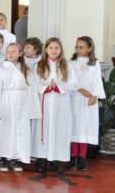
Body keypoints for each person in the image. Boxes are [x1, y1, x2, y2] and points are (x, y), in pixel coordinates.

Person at [0, 43, 41, 172]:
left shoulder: (26, 70)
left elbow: (31, 90)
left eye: (14, 51)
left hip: (22, 103)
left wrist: (32, 109)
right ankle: (3, 158)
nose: (10, 54)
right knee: (5, 130)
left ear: (20, 53)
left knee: (21, 130)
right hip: (6, 101)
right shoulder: (0, 70)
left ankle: (17, 158)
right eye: (8, 51)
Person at [31, 38, 79, 173]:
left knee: (59, 129)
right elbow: (33, 84)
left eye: (56, 48)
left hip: (61, 103)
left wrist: (58, 87)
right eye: (51, 47)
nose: (53, 50)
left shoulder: (67, 65)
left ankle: (56, 160)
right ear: (46, 49)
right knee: (43, 130)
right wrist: (46, 88)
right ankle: (42, 159)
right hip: (44, 101)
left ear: (60, 50)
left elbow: (74, 84)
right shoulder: (38, 65)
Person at [69, 36, 105, 170]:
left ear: (89, 48)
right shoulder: (71, 63)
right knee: (75, 127)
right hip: (75, 98)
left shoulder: (95, 64)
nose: (78, 49)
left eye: (82, 47)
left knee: (86, 127)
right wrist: (79, 88)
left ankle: (82, 157)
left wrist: (94, 95)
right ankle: (73, 157)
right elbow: (69, 79)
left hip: (89, 100)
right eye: (77, 47)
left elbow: (97, 81)